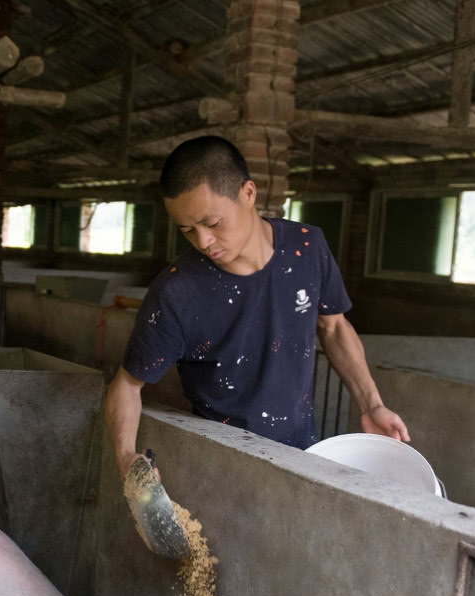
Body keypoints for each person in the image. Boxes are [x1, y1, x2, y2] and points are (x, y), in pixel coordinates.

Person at [106, 136, 408, 479]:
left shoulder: (307, 247)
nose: (203, 241)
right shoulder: (177, 291)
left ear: (248, 193)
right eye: (187, 230)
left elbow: (334, 327)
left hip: (303, 456)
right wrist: (126, 456)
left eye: (213, 223)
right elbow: (126, 386)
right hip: (219, 467)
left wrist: (372, 404)